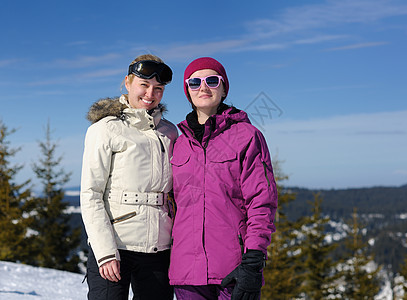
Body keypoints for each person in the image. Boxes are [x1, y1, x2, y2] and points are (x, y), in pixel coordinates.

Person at [169, 57, 278, 300]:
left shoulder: (247, 136)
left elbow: (262, 201)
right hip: (186, 273)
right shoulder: (179, 143)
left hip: (233, 270)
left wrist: (253, 260)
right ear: (187, 91)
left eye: (212, 80)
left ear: (224, 88)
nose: (203, 87)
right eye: (195, 82)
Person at [80, 54, 177, 300]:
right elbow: (91, 195)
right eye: (144, 85)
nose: (150, 94)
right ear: (128, 82)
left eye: (158, 88)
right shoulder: (105, 129)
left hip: (159, 248)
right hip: (116, 245)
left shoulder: (169, 132)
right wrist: (105, 253)